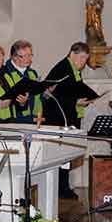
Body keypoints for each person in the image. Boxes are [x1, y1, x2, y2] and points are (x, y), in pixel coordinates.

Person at [45, 42, 92, 200]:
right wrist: (76, 102)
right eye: (82, 57)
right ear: (73, 53)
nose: (84, 61)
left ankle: (64, 186)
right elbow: (52, 96)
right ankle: (60, 187)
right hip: (58, 117)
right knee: (60, 155)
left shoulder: (74, 69)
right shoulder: (62, 69)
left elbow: (71, 91)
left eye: (86, 58)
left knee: (66, 155)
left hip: (69, 116)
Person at [4, 40, 42, 124]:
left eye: (30, 55)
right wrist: (21, 102)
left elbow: (37, 97)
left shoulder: (32, 73)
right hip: (15, 121)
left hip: (35, 119)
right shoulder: (5, 73)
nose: (28, 59)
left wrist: (46, 93)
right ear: (14, 57)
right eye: (24, 56)